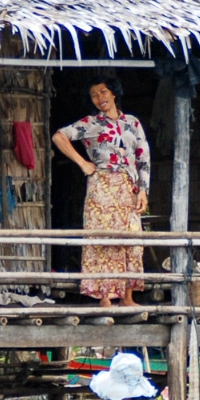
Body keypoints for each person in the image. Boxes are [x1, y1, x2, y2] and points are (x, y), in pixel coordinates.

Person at [52, 78, 151, 306]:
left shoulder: (132, 123)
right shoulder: (90, 124)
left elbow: (143, 158)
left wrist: (143, 191)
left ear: (114, 94)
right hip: (102, 186)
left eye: (103, 92)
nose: (100, 98)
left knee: (133, 240)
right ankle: (105, 297)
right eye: (95, 95)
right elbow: (59, 136)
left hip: (128, 186)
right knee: (103, 238)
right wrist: (82, 163)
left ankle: (128, 296)